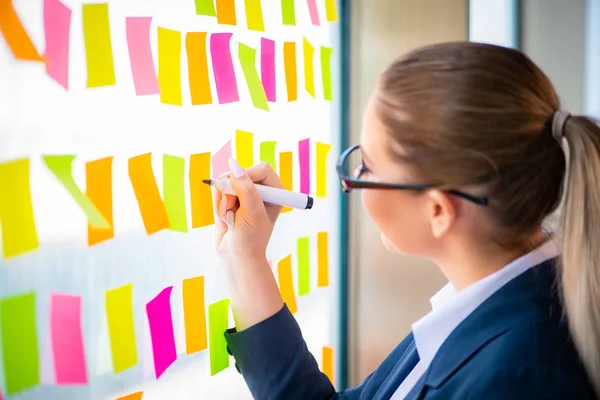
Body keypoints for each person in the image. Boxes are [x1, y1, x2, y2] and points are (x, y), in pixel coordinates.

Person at [211, 42, 599, 399]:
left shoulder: (519, 378)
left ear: (438, 211)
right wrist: (246, 259)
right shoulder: (493, 303)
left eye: (369, 166)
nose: (355, 182)